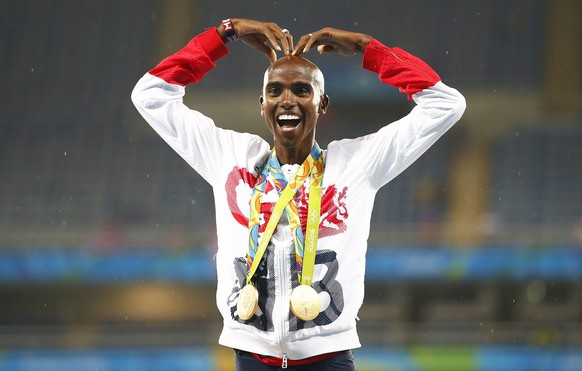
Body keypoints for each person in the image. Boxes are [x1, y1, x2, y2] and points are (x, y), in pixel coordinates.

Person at [132, 17, 465, 370]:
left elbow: (446, 105)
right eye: (275, 91)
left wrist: (369, 49)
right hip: (252, 358)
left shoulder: (356, 164)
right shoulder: (230, 158)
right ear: (262, 104)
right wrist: (224, 33)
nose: (287, 100)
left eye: (302, 90)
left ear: (322, 104)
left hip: (329, 358)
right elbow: (150, 95)